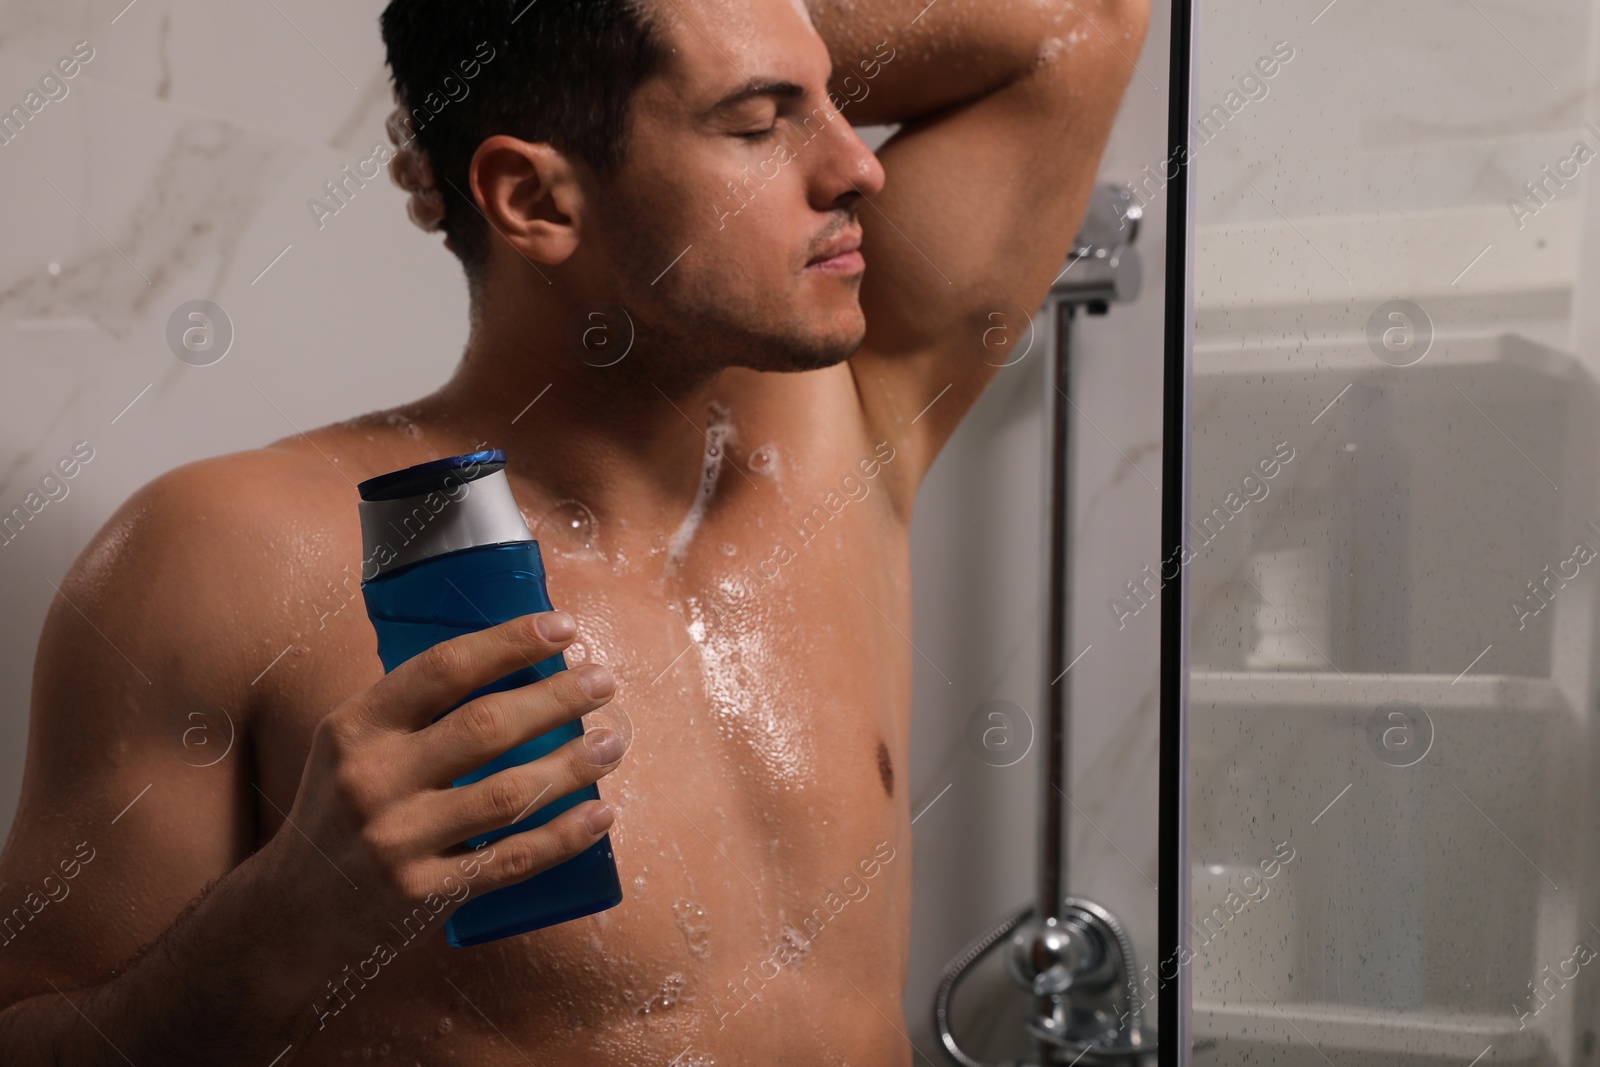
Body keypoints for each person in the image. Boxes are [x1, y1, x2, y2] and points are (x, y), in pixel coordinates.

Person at [0, 0, 1147, 1061]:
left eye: (835, 94)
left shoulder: (837, 431)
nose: (858, 165)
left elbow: (1082, 21)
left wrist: (579, 43)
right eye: (759, 121)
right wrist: (289, 917)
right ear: (537, 200)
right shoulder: (223, 555)